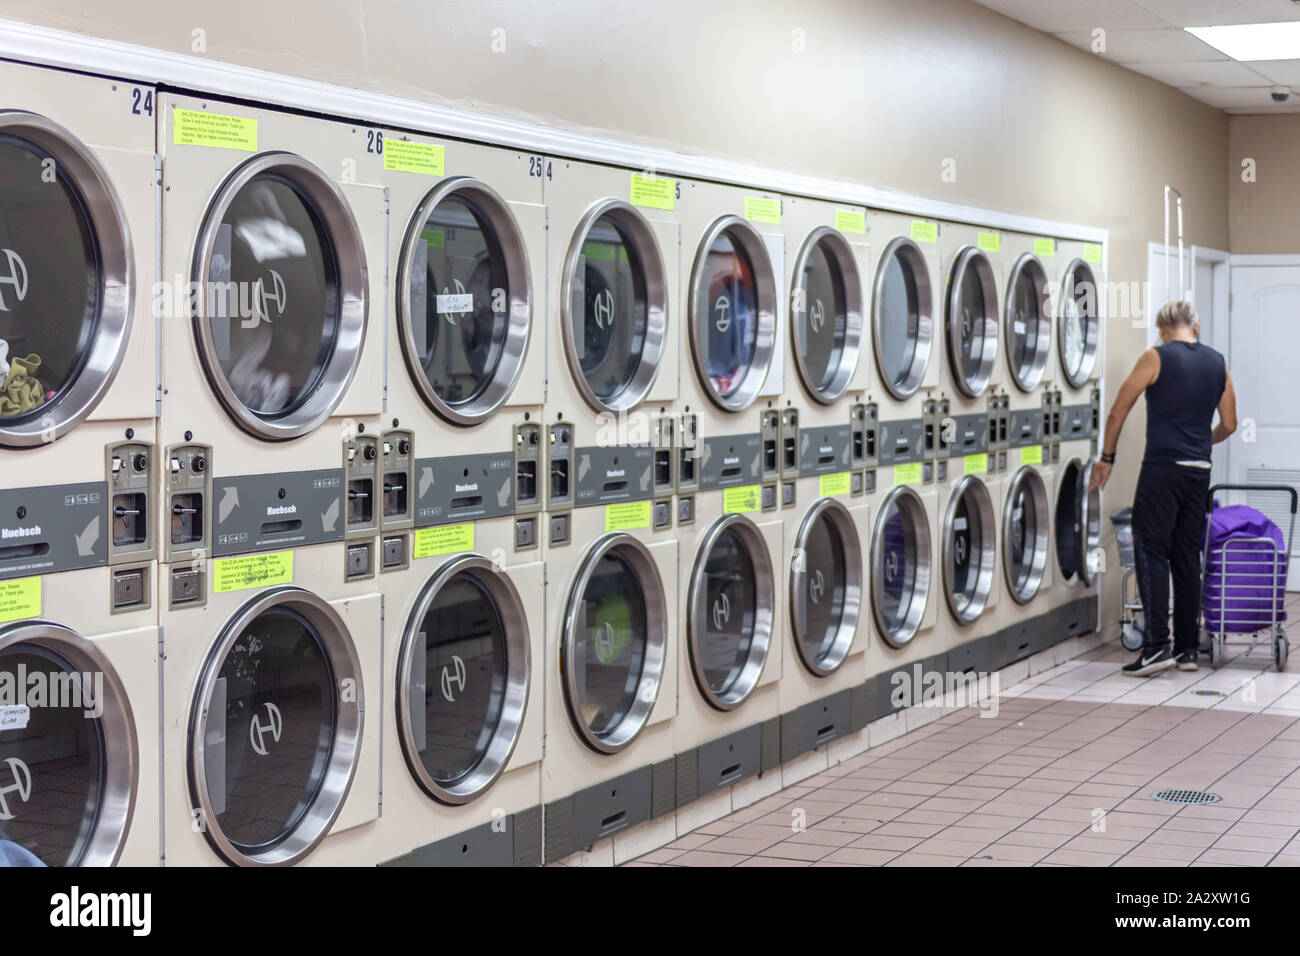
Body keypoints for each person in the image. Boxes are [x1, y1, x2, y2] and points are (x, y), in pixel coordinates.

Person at [1089, 300, 1236, 677]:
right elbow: (1231, 424)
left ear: (1161, 328)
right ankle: (1187, 649)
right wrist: (1201, 442)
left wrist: (1107, 457)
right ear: (1196, 325)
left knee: (1151, 548)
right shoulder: (1218, 362)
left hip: (1162, 469)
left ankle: (1156, 647)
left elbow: (1119, 409)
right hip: (1198, 471)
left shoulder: (1156, 357)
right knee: (1187, 554)